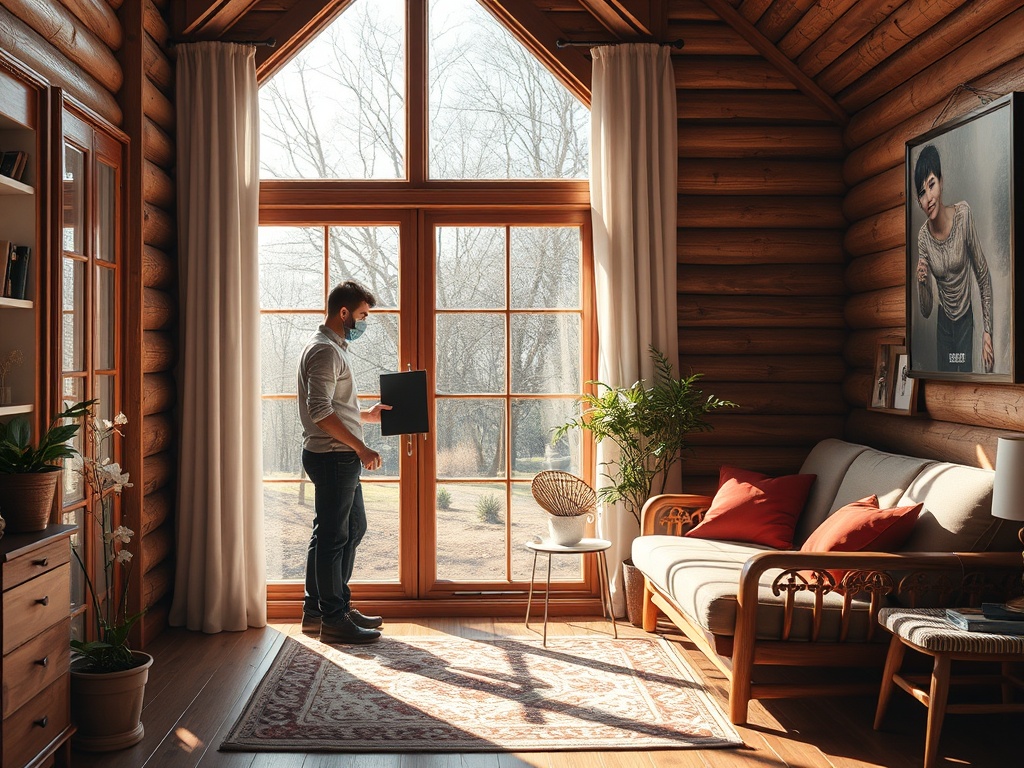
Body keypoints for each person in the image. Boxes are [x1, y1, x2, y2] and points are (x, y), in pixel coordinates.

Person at [297, 280, 391, 644]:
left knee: (346, 530)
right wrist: (362, 449)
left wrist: (366, 416)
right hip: (334, 456)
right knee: (335, 536)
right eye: (363, 315)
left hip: (337, 455)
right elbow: (320, 411)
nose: (365, 322)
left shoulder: (332, 348)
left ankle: (318, 612)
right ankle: (333, 618)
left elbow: (334, 405)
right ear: (343, 312)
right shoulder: (324, 351)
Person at [914, 144, 994, 373]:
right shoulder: (923, 238)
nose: (929, 198)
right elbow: (926, 310)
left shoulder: (963, 215)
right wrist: (922, 282)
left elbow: (982, 274)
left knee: (966, 378)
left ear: (941, 181)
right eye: (922, 193)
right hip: (943, 322)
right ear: (918, 201)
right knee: (945, 381)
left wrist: (987, 331)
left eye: (931, 185)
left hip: (965, 318)